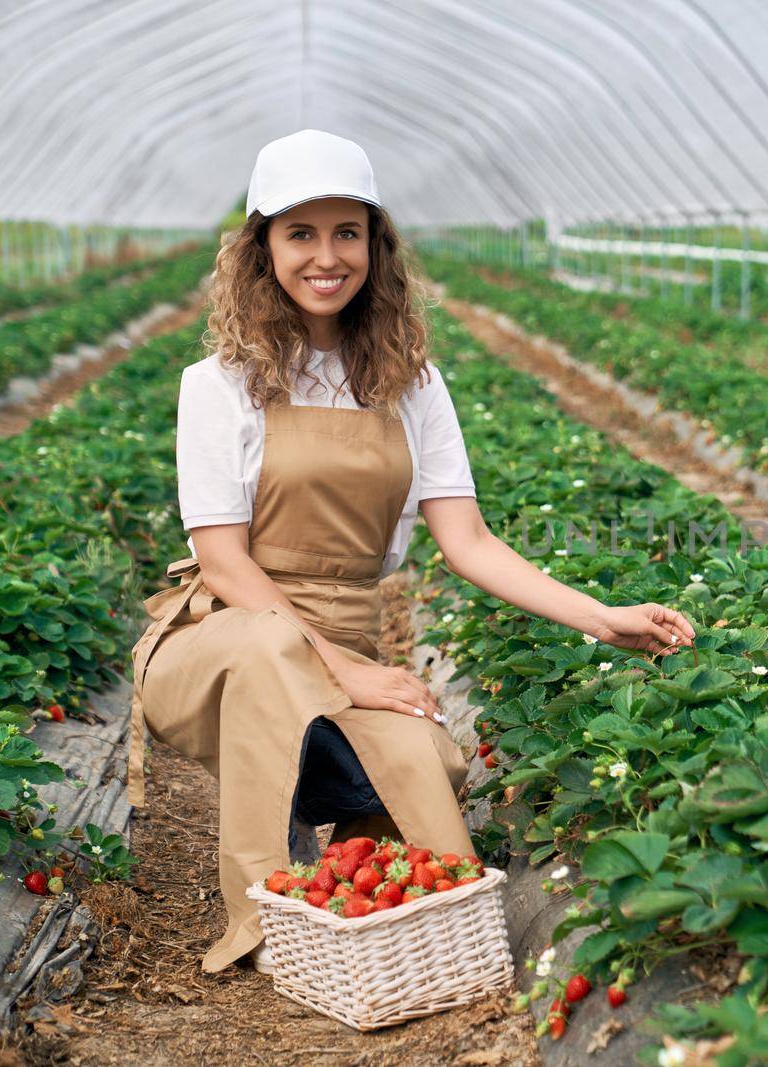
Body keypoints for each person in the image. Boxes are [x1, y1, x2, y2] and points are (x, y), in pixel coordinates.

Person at [126, 129, 696, 974]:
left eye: (346, 233)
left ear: (375, 245)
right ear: (262, 250)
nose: (327, 256)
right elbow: (225, 565)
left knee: (429, 768)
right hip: (224, 639)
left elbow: (467, 539)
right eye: (301, 234)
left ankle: (345, 890)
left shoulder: (409, 382)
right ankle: (263, 912)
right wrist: (350, 677)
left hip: (341, 635)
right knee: (263, 644)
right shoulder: (217, 385)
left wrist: (601, 618)